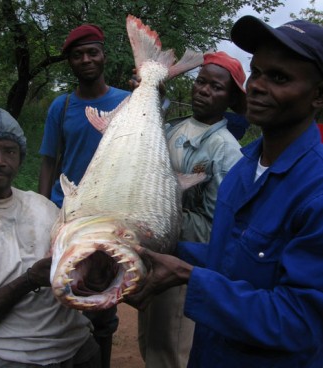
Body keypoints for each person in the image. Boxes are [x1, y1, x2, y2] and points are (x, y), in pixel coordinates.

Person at [127, 16, 323, 367]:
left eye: (280, 78)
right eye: (258, 72)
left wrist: (189, 277)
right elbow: (227, 258)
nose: (259, 86)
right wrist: (150, 250)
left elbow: (301, 322)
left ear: (318, 96)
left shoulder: (316, 191)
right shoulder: (244, 167)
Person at [138, 51, 246, 367]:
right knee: (150, 342)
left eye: (216, 87)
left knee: (171, 349)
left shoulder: (226, 150)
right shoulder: (174, 128)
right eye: (201, 82)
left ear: (230, 98)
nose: (204, 90)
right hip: (157, 254)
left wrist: (160, 215)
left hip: (183, 265)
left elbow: (216, 227)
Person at [38, 24, 130, 368]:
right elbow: (48, 161)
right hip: (70, 215)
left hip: (108, 217)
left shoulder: (125, 101)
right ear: (71, 63)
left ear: (104, 55)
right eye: (78, 55)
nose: (86, 59)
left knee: (102, 300)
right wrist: (44, 207)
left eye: (92, 52)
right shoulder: (60, 107)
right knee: (63, 292)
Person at [0, 106, 101, 367]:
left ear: (20, 158)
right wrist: (30, 280)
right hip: (8, 355)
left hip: (78, 346)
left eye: (9, 151)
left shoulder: (43, 207)